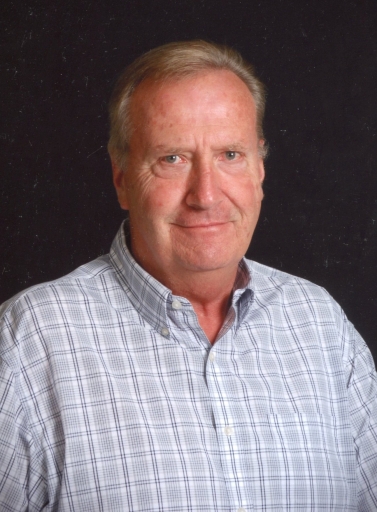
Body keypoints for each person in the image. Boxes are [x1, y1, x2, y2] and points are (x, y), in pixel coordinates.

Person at [0, 40, 376, 511]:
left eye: (230, 155)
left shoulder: (321, 326)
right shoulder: (31, 341)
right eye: (172, 158)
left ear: (260, 169)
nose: (205, 194)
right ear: (121, 177)